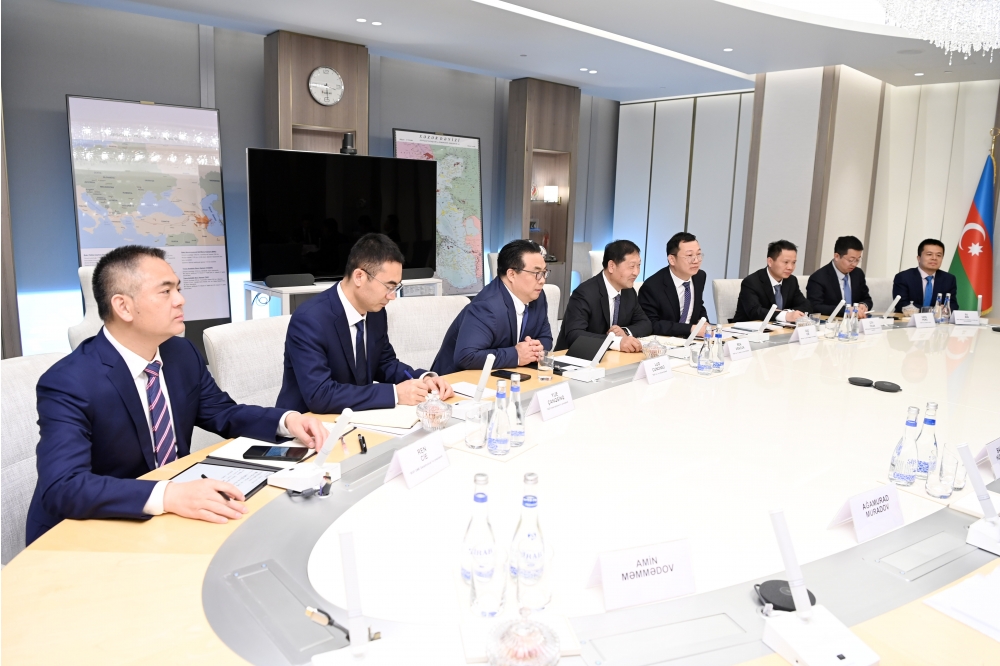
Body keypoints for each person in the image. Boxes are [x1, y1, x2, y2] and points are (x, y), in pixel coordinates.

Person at [27, 246, 329, 544]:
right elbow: (63, 487)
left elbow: (222, 413)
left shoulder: (180, 353)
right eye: (165, 291)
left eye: (178, 289)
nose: (180, 300)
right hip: (89, 532)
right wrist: (169, 494)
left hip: (167, 520)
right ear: (123, 307)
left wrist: (287, 421)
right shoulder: (68, 382)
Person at [277, 233, 453, 414]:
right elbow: (320, 395)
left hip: (355, 416)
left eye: (396, 287)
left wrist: (423, 379)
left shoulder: (376, 312)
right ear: (359, 276)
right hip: (307, 423)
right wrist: (394, 394)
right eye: (389, 286)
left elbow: (385, 363)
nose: (392, 296)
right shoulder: (310, 320)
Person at [432, 239, 552, 374]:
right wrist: (517, 355)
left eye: (544, 272)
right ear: (511, 274)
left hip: (503, 375)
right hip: (454, 379)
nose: (542, 280)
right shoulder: (487, 306)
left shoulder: (537, 297)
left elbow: (546, 338)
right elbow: (466, 356)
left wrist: (536, 348)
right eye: (536, 273)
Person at [556, 240, 651, 352]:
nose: (636, 272)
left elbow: (646, 324)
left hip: (612, 357)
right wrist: (615, 342)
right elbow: (575, 335)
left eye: (638, 266)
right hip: (575, 357)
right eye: (631, 266)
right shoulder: (584, 293)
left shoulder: (628, 292)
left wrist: (624, 332)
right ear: (611, 266)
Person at [638, 232, 711, 334]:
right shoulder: (652, 286)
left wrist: (703, 322)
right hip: (665, 339)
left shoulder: (700, 277)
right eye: (689, 255)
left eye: (698, 254)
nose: (696, 260)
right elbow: (651, 324)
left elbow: (698, 305)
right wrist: (690, 329)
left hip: (692, 339)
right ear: (672, 260)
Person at [734, 240, 811, 323]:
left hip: (778, 328)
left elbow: (806, 305)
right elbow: (755, 311)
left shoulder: (791, 281)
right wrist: (785, 315)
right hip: (748, 328)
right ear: (770, 262)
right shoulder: (751, 282)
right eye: (786, 262)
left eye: (793, 262)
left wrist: (787, 313)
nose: (790, 267)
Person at [806, 235, 873, 317]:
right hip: (832, 322)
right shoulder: (818, 278)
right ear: (837, 256)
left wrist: (864, 305)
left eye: (858, 260)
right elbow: (815, 306)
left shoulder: (858, 274)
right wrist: (846, 310)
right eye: (851, 260)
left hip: (856, 321)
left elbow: (867, 299)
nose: (854, 264)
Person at [892, 239, 960, 313]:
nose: (934, 258)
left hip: (937, 319)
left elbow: (953, 305)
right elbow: (901, 304)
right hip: (908, 318)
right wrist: (933, 310)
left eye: (938, 255)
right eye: (929, 254)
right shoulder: (903, 277)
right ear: (919, 258)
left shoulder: (949, 279)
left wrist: (945, 308)